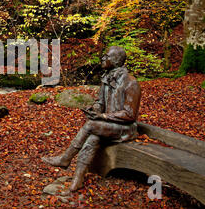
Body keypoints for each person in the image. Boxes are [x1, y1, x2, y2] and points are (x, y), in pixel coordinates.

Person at [42, 46, 141, 192]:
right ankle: (78, 180)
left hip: (125, 129)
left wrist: (103, 116)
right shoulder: (106, 78)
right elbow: (100, 102)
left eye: (106, 56)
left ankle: (65, 159)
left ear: (117, 61)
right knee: (92, 138)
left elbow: (129, 115)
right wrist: (95, 109)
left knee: (90, 126)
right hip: (107, 125)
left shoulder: (131, 83)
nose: (103, 58)